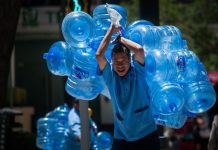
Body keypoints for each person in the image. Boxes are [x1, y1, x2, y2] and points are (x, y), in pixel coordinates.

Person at [96, 23, 160, 150]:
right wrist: (111, 29)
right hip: (122, 138)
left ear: (130, 60)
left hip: (147, 135)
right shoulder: (110, 77)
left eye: (123, 61)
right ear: (111, 63)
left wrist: (121, 39)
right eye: (116, 62)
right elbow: (99, 55)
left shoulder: (138, 71)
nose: (120, 65)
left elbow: (139, 50)